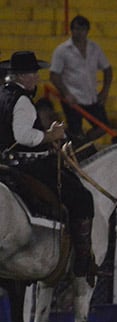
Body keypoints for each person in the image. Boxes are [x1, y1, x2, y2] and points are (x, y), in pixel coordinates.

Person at [0, 51, 95, 285]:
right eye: (34, 74)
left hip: (4, 163)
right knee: (82, 197)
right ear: (24, 76)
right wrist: (51, 134)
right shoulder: (22, 100)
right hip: (26, 164)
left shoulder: (2, 94)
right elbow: (23, 135)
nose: (37, 78)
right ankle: (82, 261)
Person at [49, 15, 112, 142]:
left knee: (103, 127)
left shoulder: (95, 48)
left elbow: (107, 69)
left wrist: (105, 91)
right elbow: (54, 75)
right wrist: (66, 94)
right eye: (77, 29)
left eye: (82, 29)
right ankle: (77, 148)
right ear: (71, 30)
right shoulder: (62, 50)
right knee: (75, 131)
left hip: (91, 97)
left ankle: (85, 142)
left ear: (87, 31)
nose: (79, 33)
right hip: (73, 99)